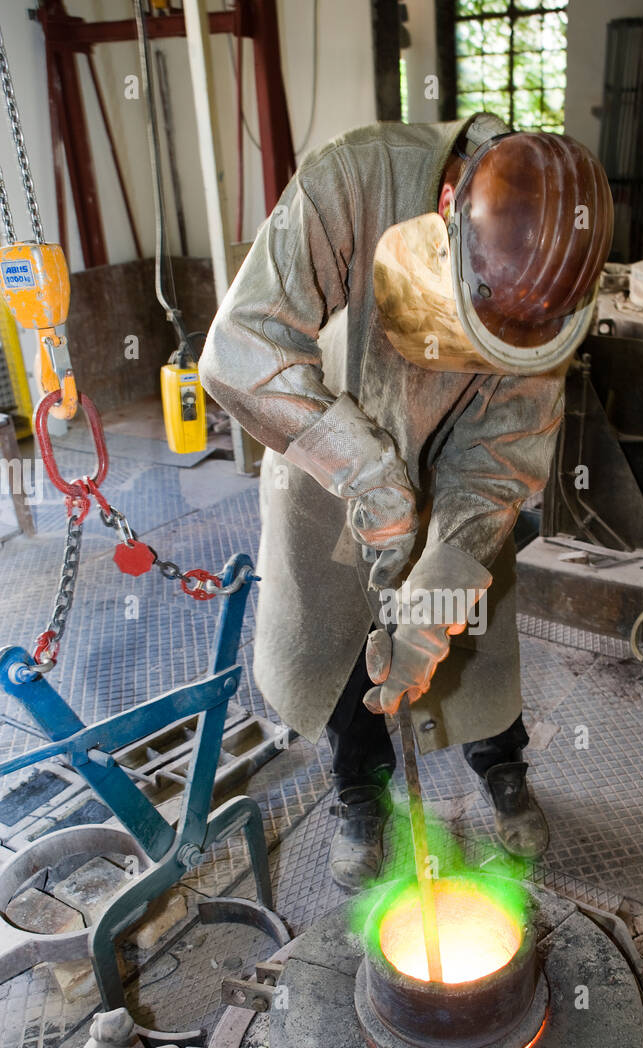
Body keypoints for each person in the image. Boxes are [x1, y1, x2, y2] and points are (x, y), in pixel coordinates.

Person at [199, 113, 613, 891]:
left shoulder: (547, 277)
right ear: (449, 206)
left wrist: (436, 598)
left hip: (457, 482)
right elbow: (238, 348)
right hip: (323, 454)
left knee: (473, 638)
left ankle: (503, 767)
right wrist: (364, 470)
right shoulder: (354, 179)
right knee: (346, 651)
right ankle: (359, 795)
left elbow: (496, 465)